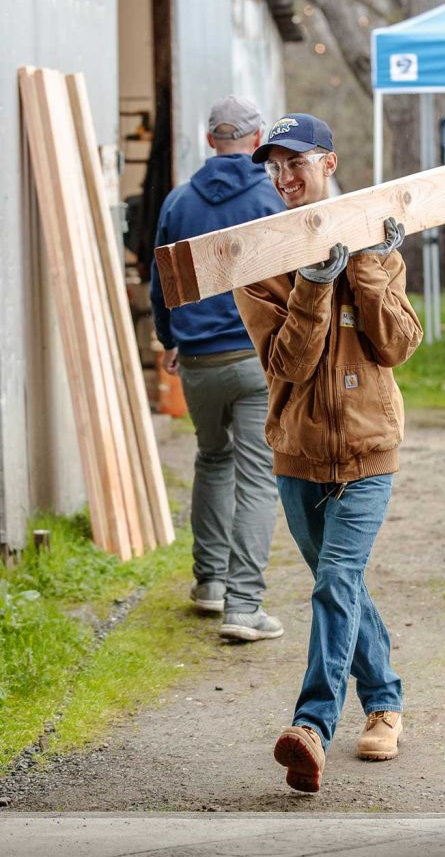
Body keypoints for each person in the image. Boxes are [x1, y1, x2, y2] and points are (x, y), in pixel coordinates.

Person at [234, 113, 423, 792]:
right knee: (338, 587)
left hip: (370, 450)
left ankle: (311, 725)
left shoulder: (379, 245)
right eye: (274, 167)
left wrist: (368, 269)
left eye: (297, 163)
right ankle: (385, 704)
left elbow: (396, 346)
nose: (285, 177)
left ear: (329, 164)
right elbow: (287, 365)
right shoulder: (256, 264)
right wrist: (313, 285)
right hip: (298, 458)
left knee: (335, 583)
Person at [150, 95, 286, 643]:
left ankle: (208, 582)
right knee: (257, 475)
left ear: (210, 140)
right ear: (256, 141)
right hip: (254, 359)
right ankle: (244, 604)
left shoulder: (178, 202)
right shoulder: (271, 197)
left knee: (212, 459)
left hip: (199, 361)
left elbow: (161, 282)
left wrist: (170, 340)